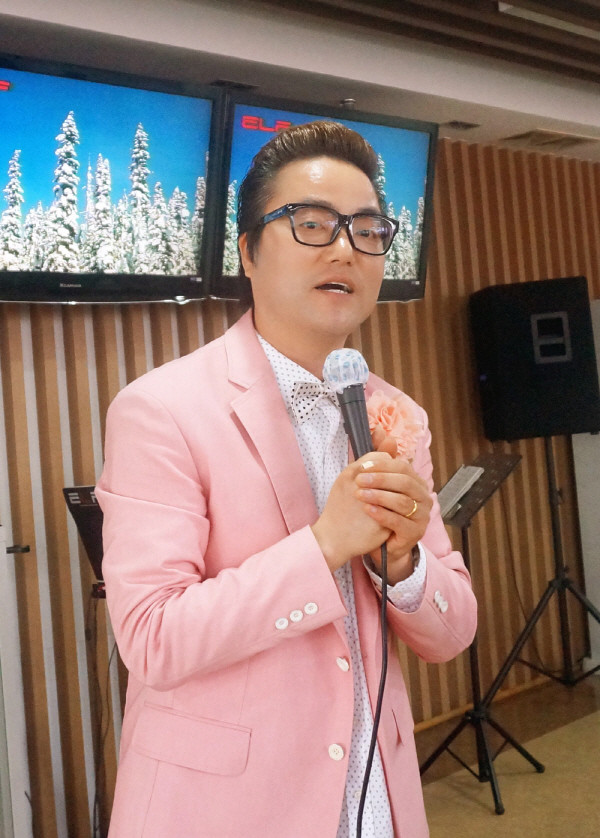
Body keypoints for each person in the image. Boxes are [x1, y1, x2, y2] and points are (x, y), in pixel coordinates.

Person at [96, 121, 477, 838]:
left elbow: (452, 631)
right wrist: (325, 544)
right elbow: (153, 638)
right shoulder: (162, 409)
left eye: (368, 230)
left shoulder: (397, 415)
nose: (345, 248)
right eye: (312, 223)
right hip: (227, 811)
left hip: (376, 799)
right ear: (248, 251)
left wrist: (404, 564)